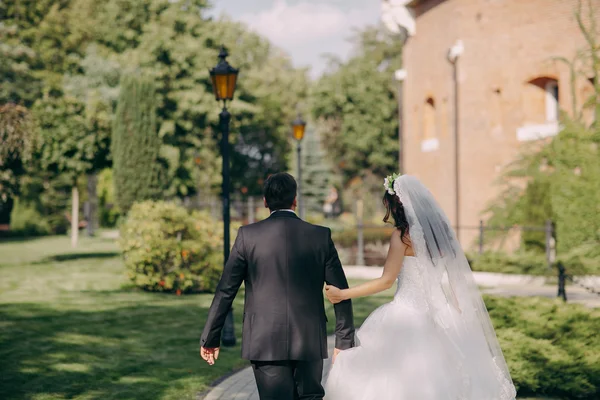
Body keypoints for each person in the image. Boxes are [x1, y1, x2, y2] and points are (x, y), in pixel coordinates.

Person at [324, 174, 517, 400]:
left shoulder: (403, 237)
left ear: (398, 206)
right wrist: (459, 320)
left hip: (405, 316)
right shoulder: (443, 238)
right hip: (442, 315)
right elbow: (456, 288)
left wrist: (342, 293)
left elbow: (386, 281)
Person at [200, 172, 355, 400]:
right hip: (309, 339)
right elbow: (341, 292)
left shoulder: (247, 236)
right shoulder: (320, 236)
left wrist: (211, 338)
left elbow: (226, 291)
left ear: (265, 201)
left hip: (264, 341)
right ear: (295, 200)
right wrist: (344, 340)